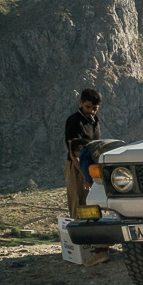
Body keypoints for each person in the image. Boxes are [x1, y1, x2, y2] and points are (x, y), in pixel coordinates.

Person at [64, 88, 102, 218]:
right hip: (77, 167)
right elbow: (74, 152)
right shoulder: (74, 121)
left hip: (91, 168)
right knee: (78, 201)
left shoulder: (95, 121)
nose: (91, 111)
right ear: (81, 103)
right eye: (88, 107)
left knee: (92, 203)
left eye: (94, 108)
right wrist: (84, 174)